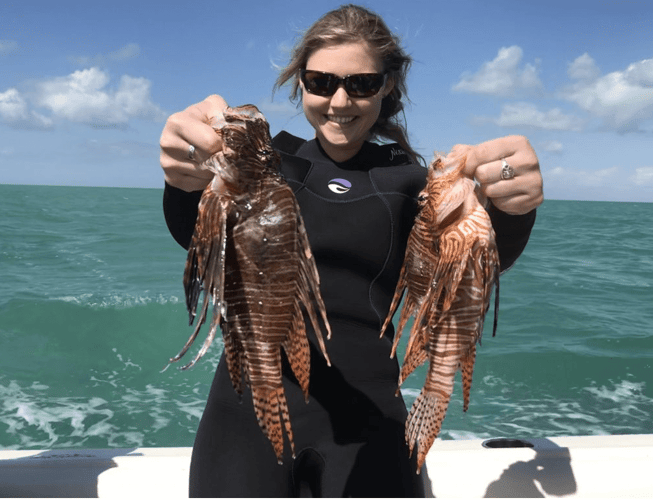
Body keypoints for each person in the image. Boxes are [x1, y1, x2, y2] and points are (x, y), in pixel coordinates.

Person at [159, 4, 543, 497]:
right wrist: (185, 178)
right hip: (242, 419)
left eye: (361, 84)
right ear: (300, 83)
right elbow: (194, 232)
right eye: (321, 82)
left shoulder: (412, 183)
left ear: (387, 86)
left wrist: (513, 212)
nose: (339, 100)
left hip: (373, 427)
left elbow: (466, 273)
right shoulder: (262, 164)